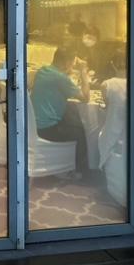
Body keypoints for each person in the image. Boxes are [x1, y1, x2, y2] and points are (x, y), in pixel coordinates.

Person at [31, 47, 90, 175]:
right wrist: (83, 71)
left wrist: (68, 70)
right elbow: (86, 97)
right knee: (81, 132)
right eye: (72, 62)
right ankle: (78, 171)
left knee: (71, 113)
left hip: (32, 124)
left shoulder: (43, 70)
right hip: (46, 129)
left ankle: (64, 160)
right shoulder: (60, 78)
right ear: (66, 62)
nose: (73, 65)